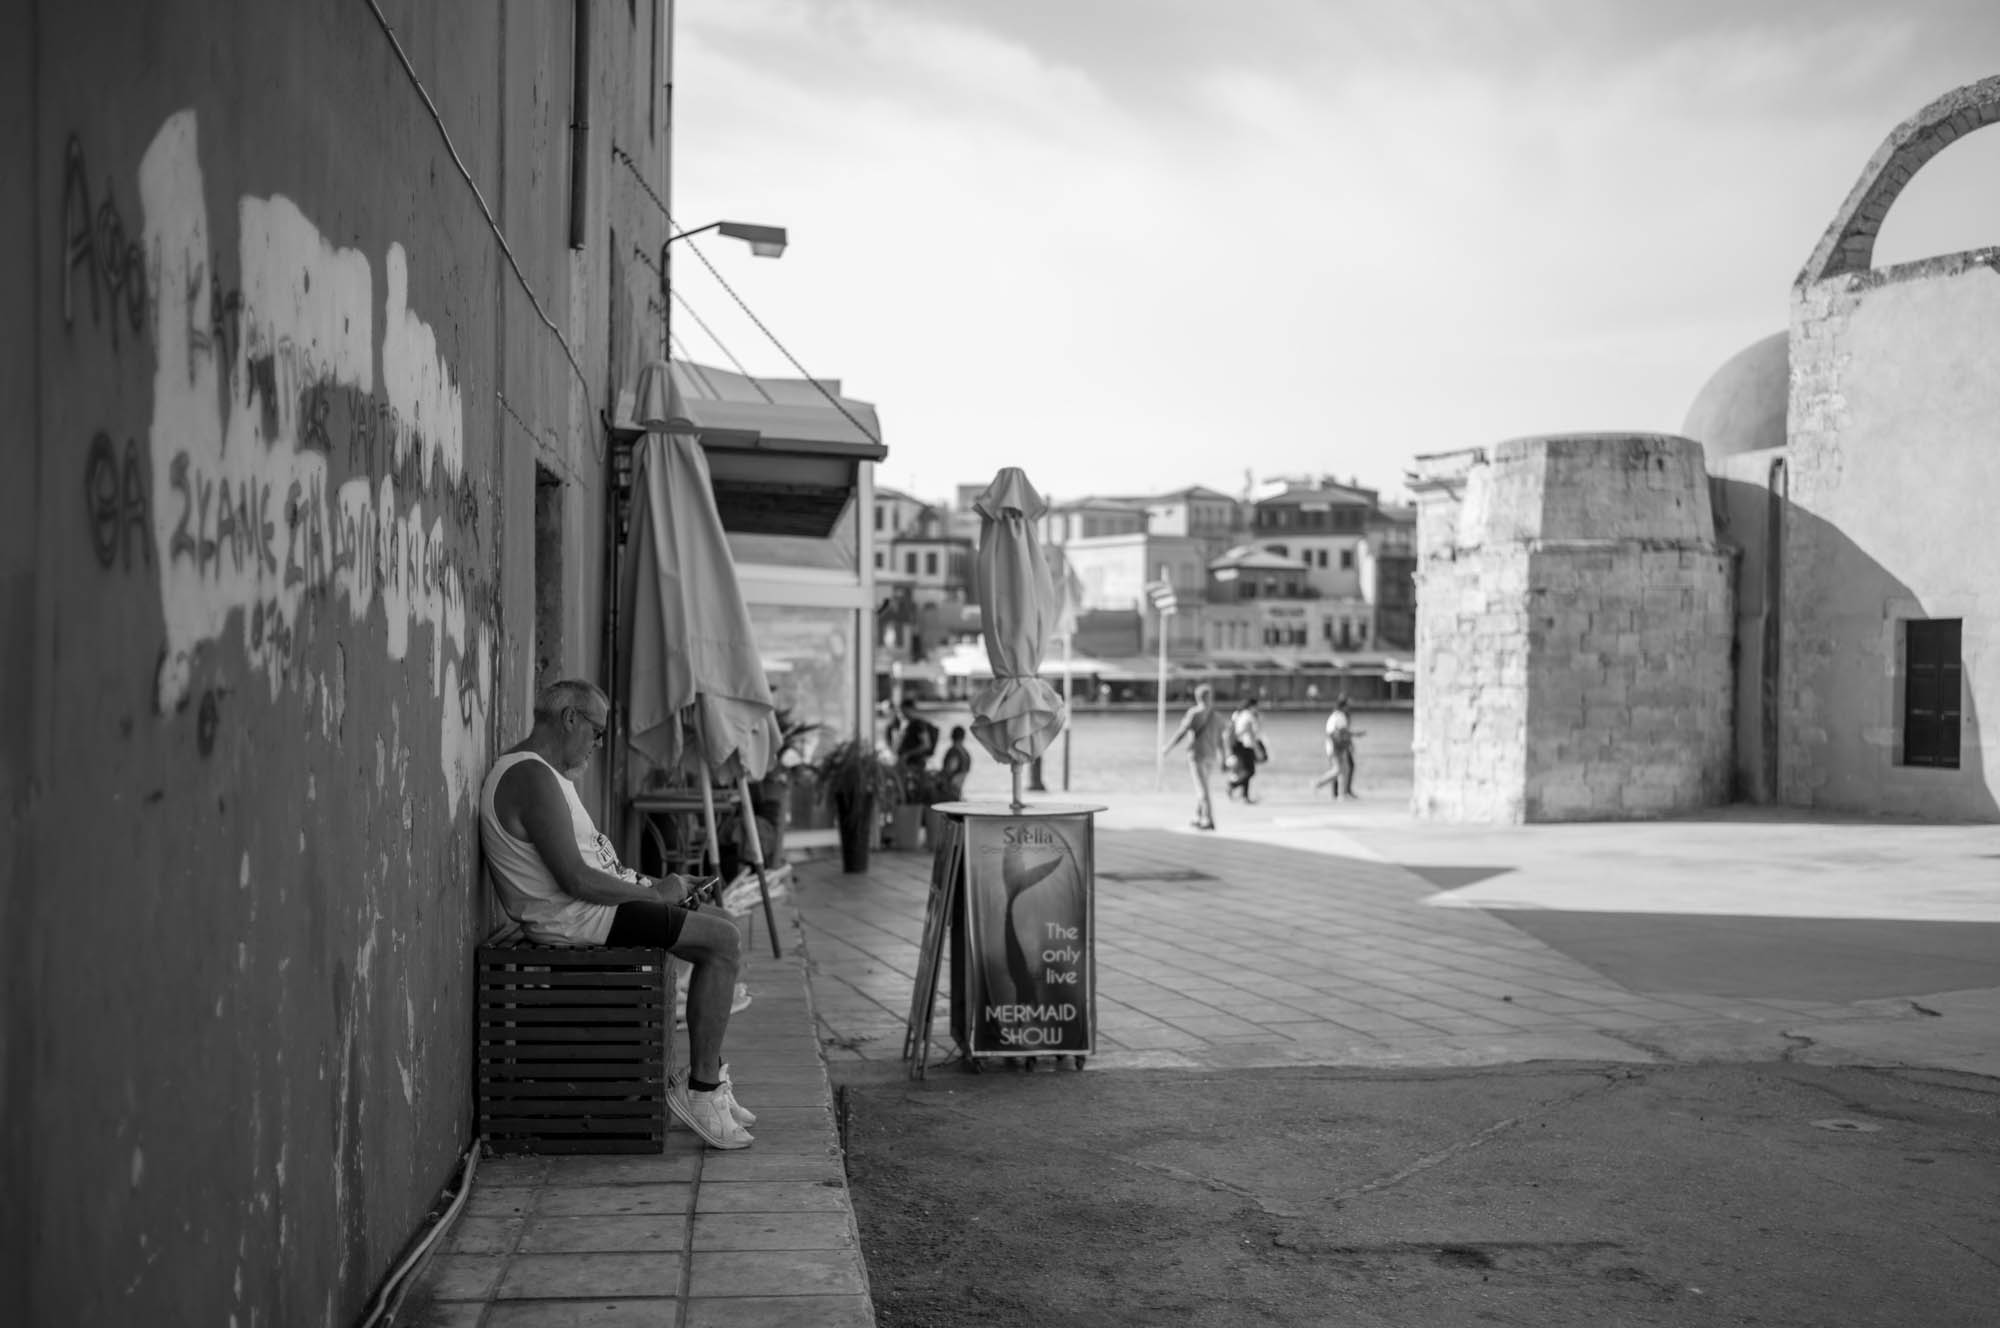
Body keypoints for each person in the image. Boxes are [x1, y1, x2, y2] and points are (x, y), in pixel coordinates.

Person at [479, 679, 755, 1150]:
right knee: (723, 944)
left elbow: (588, 867)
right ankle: (703, 1092)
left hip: (595, 911)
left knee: (723, 924)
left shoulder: (543, 774)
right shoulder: (530, 776)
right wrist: (653, 894)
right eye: (597, 731)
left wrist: (651, 885)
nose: (598, 743)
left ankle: (710, 1078)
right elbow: (575, 881)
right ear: (570, 719)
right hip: (579, 919)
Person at [1162, 683, 1228, 830]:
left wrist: (1168, 748)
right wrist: (1223, 757)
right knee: (1203, 787)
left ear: (1197, 697)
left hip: (1197, 756)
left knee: (1202, 790)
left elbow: (1181, 733)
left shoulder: (1194, 714)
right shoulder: (1217, 717)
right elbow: (1221, 741)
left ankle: (1209, 819)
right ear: (1210, 697)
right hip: (1211, 756)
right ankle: (1199, 817)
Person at [1312, 695, 1365, 799]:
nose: (1349, 708)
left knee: (1343, 769)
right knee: (1340, 770)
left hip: (1333, 746)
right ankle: (1321, 785)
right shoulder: (1340, 716)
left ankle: (1341, 792)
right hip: (1337, 747)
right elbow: (1342, 732)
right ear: (1344, 706)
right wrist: (1354, 737)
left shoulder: (1335, 715)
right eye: (1348, 705)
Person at [1226, 696, 1267, 803]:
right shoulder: (1248, 716)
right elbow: (1250, 734)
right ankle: (1232, 785)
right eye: (1257, 706)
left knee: (1246, 770)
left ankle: (1245, 796)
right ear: (1252, 706)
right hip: (1245, 745)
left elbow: (1233, 730)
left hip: (1236, 745)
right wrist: (1257, 750)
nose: (1258, 708)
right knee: (1250, 771)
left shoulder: (1237, 713)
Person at [894, 696, 938, 773]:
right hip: (908, 763)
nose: (902, 713)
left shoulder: (918, 725)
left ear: (909, 709)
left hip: (915, 764)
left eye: (903, 710)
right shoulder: (909, 724)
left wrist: (907, 754)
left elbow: (926, 745)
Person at [938, 724, 972, 801]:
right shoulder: (966, 754)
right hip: (958, 791)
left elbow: (949, 769)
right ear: (963, 737)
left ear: (951, 736)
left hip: (949, 791)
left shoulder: (954, 752)